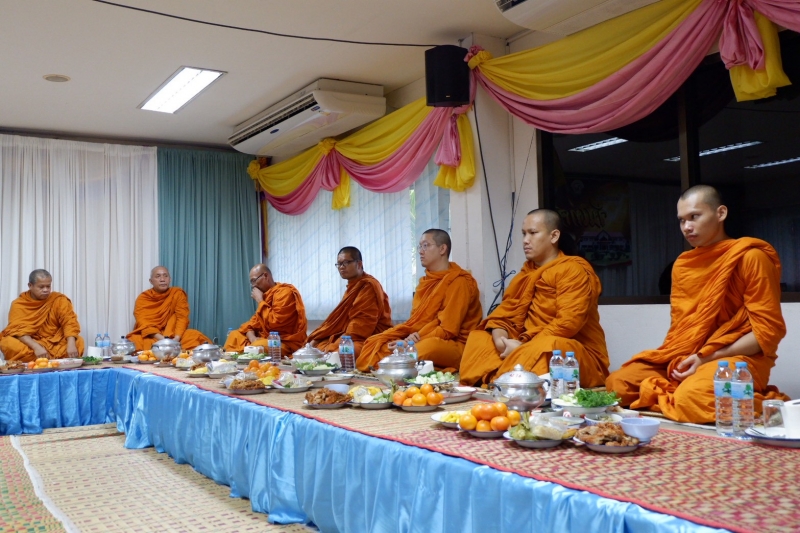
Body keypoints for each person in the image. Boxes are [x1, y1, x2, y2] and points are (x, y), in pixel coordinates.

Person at [606, 185, 788, 423]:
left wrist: (706, 358)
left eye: (694, 216)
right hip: (689, 356)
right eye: (682, 220)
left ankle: (766, 405)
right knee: (617, 385)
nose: (687, 227)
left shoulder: (751, 257)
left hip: (739, 358)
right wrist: (687, 360)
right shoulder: (684, 265)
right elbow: (683, 330)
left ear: (720, 213)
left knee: (692, 398)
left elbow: (767, 333)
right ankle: (684, 392)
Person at [459, 209, 609, 387]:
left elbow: (568, 323)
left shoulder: (573, 270)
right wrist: (501, 340)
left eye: (533, 233)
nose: (525, 240)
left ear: (554, 236)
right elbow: (504, 315)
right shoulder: (526, 273)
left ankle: (504, 379)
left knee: (549, 345)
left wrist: (522, 346)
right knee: (479, 338)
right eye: (523, 234)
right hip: (525, 344)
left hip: (570, 350)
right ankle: (502, 378)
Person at [358, 229, 482, 372]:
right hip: (420, 338)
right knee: (377, 344)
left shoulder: (459, 281)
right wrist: (406, 340)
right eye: (420, 246)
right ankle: (403, 361)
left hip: (454, 344)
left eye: (426, 245)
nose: (420, 251)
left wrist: (412, 341)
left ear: (442, 249)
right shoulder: (425, 282)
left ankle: (400, 362)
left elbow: (448, 329)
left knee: (423, 349)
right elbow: (416, 322)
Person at [306, 247, 392, 357]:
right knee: (316, 347)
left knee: (343, 352)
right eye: (339, 264)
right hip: (349, 336)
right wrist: (319, 339)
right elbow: (340, 323)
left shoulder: (368, 286)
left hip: (368, 337)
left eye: (346, 262)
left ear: (359, 264)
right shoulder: (353, 287)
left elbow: (361, 326)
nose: (341, 267)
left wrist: (335, 345)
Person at [224, 264, 307, 357]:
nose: (253, 286)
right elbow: (250, 325)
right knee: (234, 335)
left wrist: (260, 301)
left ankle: (248, 354)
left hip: (283, 342)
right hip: (263, 340)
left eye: (254, 280)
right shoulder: (266, 297)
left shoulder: (285, 293)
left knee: (258, 346)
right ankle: (230, 362)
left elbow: (274, 323)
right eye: (251, 282)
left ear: (266, 276)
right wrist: (253, 338)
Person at [0, 269, 84, 361]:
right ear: (30, 285)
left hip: (54, 342)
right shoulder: (19, 304)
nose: (46, 290)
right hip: (31, 343)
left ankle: (43, 360)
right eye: (41, 287)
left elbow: (69, 322)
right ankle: (52, 359)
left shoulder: (58, 300)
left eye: (48, 286)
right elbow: (17, 331)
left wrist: (71, 344)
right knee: (8, 343)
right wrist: (36, 347)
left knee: (78, 341)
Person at [126, 266, 210, 351]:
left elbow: (182, 318)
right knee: (134, 340)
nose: (162, 279)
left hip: (174, 335)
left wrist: (176, 339)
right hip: (153, 336)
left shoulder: (177, 293)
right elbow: (143, 323)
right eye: (158, 276)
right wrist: (164, 341)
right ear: (151, 281)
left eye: (165, 276)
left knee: (194, 336)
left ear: (170, 279)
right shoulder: (143, 298)